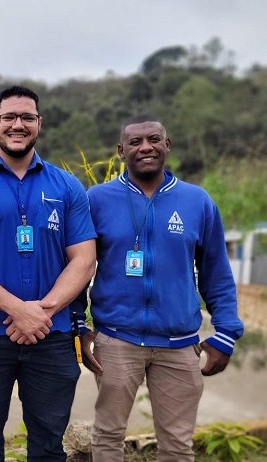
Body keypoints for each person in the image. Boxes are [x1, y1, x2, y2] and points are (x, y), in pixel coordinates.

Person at [0, 86, 97, 461]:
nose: (18, 125)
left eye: (27, 117)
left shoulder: (67, 186)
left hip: (53, 335)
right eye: (9, 117)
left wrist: (42, 312)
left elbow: (84, 259)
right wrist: (18, 309)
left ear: (39, 124)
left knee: (47, 443)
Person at [76, 115, 244, 461]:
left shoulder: (197, 201)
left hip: (179, 346)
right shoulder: (97, 199)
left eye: (154, 139)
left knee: (178, 445)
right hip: (117, 339)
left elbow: (216, 271)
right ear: (121, 151)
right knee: (107, 436)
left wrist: (226, 332)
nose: (146, 147)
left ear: (167, 145)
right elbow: (78, 266)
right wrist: (80, 324)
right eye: (135, 142)